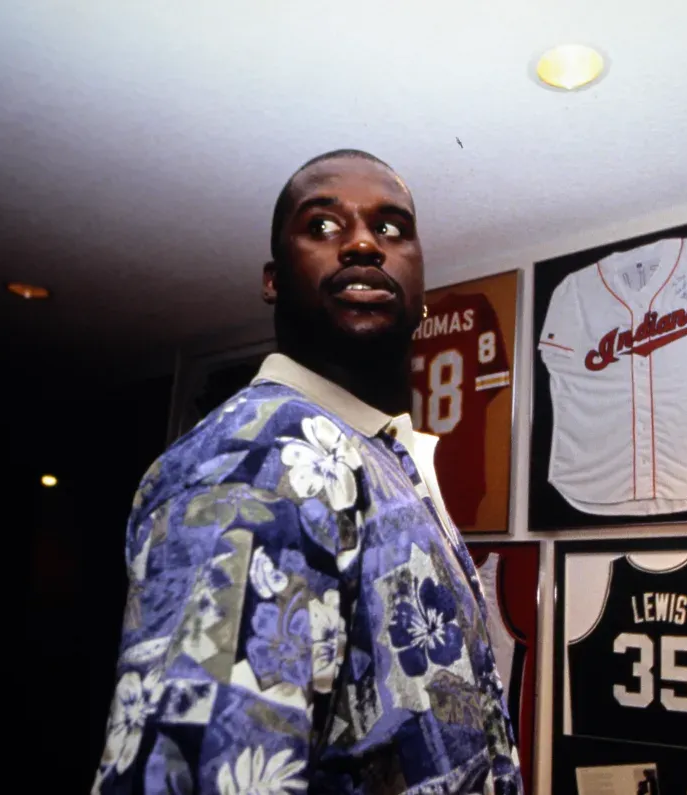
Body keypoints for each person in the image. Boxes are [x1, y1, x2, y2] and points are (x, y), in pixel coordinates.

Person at [93, 150, 522, 794]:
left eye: (391, 228)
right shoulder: (258, 458)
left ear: (421, 285)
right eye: (322, 225)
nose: (363, 243)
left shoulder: (379, 455)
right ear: (273, 280)